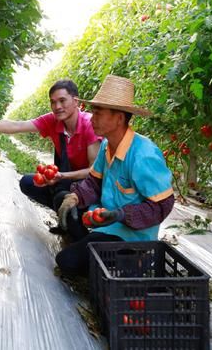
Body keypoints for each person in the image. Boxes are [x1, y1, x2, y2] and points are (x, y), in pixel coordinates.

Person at [54, 75, 175, 276]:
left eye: (98, 113)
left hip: (131, 235)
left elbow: (163, 204)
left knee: (66, 262)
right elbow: (94, 183)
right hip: (104, 221)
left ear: (119, 118)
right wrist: (74, 197)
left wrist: (121, 215)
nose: (92, 119)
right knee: (62, 198)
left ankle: (133, 261)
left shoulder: (143, 155)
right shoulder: (106, 145)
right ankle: (92, 247)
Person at [0, 79, 101, 236]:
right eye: (53, 102)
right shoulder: (52, 121)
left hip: (91, 184)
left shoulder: (90, 125)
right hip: (67, 179)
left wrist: (62, 176)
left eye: (62, 100)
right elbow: (16, 126)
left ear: (75, 101)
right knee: (28, 183)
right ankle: (65, 215)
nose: (57, 107)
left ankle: (77, 228)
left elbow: (95, 171)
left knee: (64, 199)